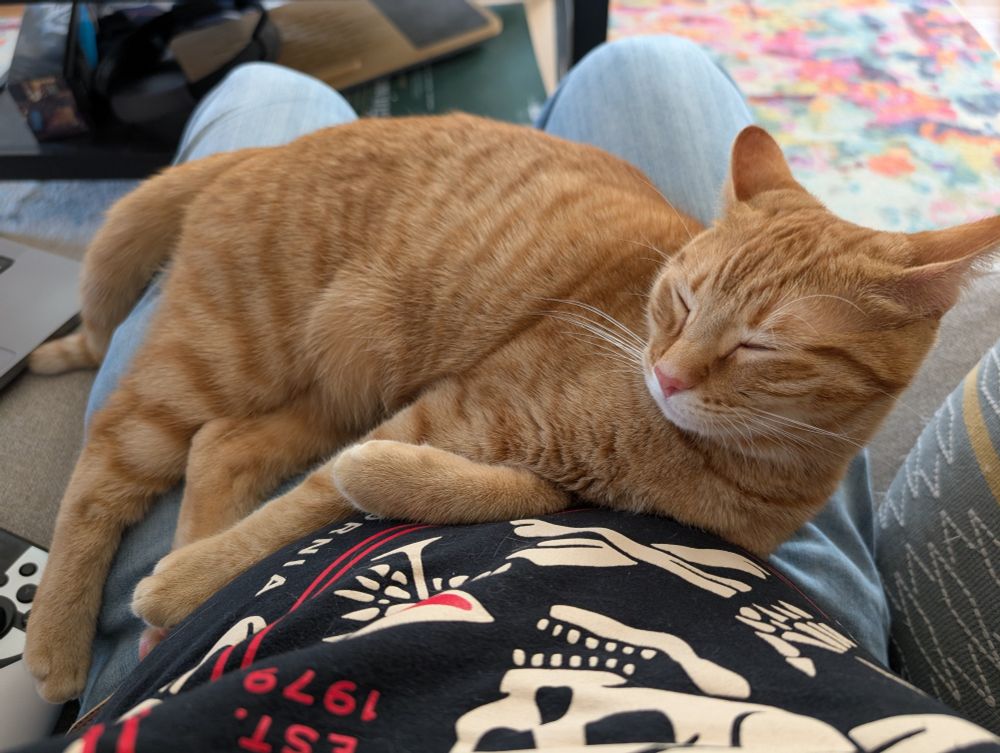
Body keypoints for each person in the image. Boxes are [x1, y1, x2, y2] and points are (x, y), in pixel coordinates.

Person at [17, 37, 998, 752]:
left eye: (758, 353)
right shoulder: (671, 357)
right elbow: (439, 426)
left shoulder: (878, 313)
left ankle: (215, 439)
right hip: (378, 250)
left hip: (286, 644)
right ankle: (93, 514)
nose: (669, 372)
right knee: (650, 65)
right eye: (676, 308)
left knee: (270, 93)